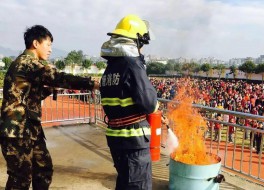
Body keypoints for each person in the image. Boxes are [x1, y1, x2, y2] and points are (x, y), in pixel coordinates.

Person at [0, 25, 99, 189]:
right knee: (20, 179)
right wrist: (92, 84)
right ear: (35, 43)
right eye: (48, 44)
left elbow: (31, 96)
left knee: (43, 169)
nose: (50, 50)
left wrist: (46, 90)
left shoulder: (28, 66)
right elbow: (58, 77)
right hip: (16, 130)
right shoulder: (27, 63)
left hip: (30, 129)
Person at [99, 14, 158, 190]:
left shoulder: (111, 66)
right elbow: (149, 103)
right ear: (136, 41)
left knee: (125, 183)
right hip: (134, 142)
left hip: (117, 140)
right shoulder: (132, 65)